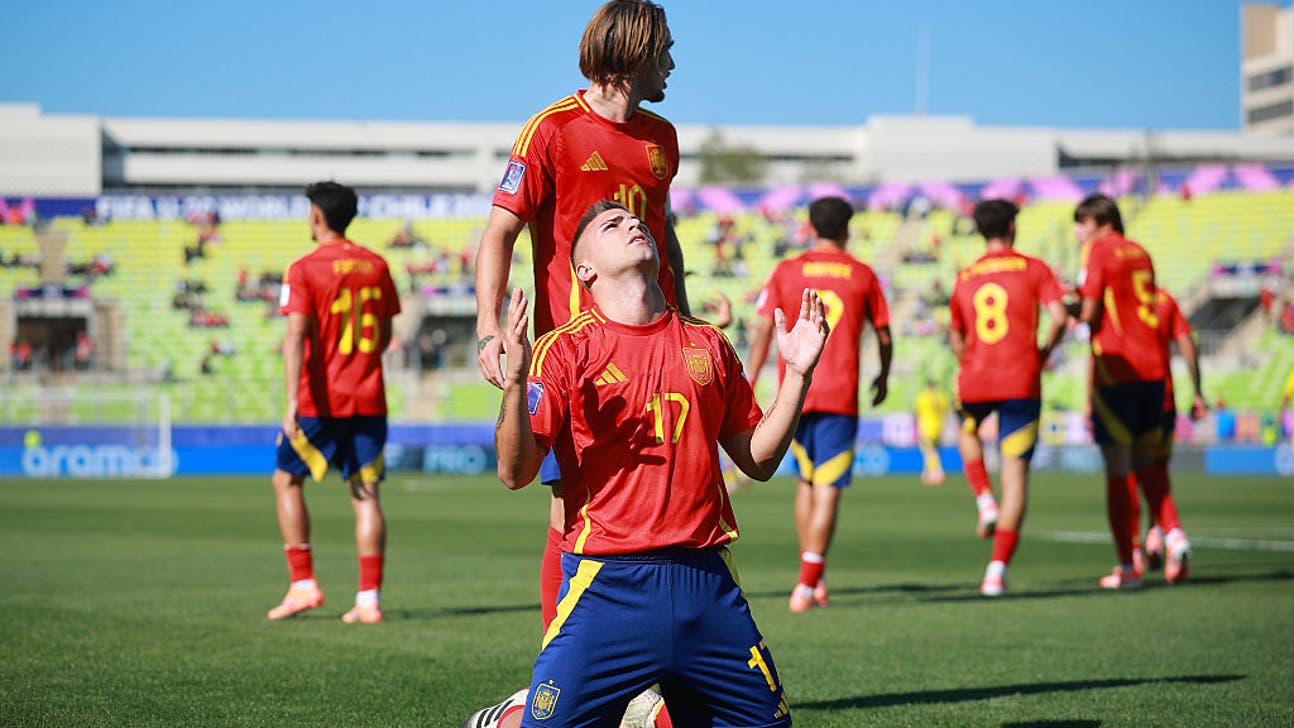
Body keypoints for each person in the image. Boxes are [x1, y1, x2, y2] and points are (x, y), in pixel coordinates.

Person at [496, 200, 824, 727]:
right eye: (612, 224)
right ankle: (508, 717)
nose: (633, 224)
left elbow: (758, 461)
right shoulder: (564, 351)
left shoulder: (709, 344)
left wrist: (798, 376)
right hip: (608, 584)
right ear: (586, 270)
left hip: (706, 584)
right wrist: (514, 386)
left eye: (636, 221)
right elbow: (514, 473)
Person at [468, 3, 689, 724]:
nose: (673, 66)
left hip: (656, 352)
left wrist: (682, 327)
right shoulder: (553, 130)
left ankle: (634, 679)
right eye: (666, 51)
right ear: (635, 52)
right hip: (575, 355)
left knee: (657, 505)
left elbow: (666, 236)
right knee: (572, 507)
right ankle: (557, 682)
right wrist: (488, 326)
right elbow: (500, 231)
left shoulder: (663, 139)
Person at [745, 196, 892, 613]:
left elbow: (762, 331)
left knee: (806, 481)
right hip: (840, 394)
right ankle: (806, 585)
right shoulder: (862, 274)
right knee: (827, 488)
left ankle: (813, 575)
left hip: (794, 392)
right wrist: (883, 374)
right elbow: (883, 332)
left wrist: (752, 378)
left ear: (809, 227)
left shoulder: (787, 270)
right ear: (848, 229)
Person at [266, 181, 401, 624]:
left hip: (318, 402)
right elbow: (383, 336)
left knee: (286, 480)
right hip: (368, 399)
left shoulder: (304, 268)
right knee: (366, 497)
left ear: (317, 217)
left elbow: (295, 337)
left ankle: (303, 584)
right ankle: (368, 600)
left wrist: (289, 402)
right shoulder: (378, 265)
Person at [948, 199, 1067, 597]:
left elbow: (956, 337)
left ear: (981, 231)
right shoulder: (1035, 268)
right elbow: (1061, 316)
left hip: (977, 379)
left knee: (965, 426)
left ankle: (983, 498)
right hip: (1021, 380)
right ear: (1012, 227)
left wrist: (970, 361)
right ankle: (996, 571)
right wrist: (1044, 354)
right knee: (1015, 480)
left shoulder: (966, 276)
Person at [1074, 193, 1169, 590]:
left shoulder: (1096, 251)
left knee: (1118, 469)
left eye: (1081, 223)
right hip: (1153, 370)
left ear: (1098, 221)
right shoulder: (1141, 251)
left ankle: (1127, 565)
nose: (1079, 232)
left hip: (1116, 369)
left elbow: (1091, 313)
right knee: (1148, 464)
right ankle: (1162, 534)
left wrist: (1071, 305)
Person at [1123, 288, 1204, 583]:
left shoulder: (1119, 298)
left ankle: (1136, 550)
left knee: (1131, 472)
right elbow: (1187, 344)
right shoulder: (1166, 300)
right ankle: (1158, 534)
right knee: (1157, 469)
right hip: (1165, 398)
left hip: (1130, 394)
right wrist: (1197, 392)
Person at [913, 378, 950, 486]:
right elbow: (946, 413)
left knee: (929, 451)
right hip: (938, 427)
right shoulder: (941, 396)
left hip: (927, 427)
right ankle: (927, 473)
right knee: (933, 450)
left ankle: (937, 472)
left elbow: (917, 412)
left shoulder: (923, 397)